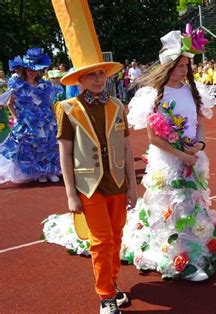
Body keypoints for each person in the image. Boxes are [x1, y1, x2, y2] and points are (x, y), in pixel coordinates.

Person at [45, 1, 137, 312]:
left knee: (116, 237)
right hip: (89, 186)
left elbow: (126, 146)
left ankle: (113, 283)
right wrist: (70, 194)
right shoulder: (68, 109)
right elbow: (65, 152)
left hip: (118, 182)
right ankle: (106, 296)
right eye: (90, 75)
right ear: (79, 80)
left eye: (101, 73)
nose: (98, 79)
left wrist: (133, 187)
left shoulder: (116, 106)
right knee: (100, 242)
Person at [124, 27, 216, 281]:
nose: (185, 70)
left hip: (192, 157)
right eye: (180, 65)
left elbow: (200, 124)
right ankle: (178, 258)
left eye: (186, 65)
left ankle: (194, 248)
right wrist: (181, 155)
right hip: (168, 161)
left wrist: (200, 145)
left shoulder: (191, 91)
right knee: (173, 207)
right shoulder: (154, 96)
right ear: (167, 66)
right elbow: (153, 137)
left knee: (193, 203)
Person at [0, 48, 61, 184]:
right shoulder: (18, 85)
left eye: (35, 70)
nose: (32, 72)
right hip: (28, 122)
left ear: (39, 70)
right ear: (24, 70)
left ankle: (51, 171)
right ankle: (40, 173)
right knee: (33, 146)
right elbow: (10, 104)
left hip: (46, 120)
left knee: (49, 145)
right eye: (29, 69)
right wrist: (17, 117)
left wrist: (55, 117)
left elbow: (50, 102)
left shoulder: (44, 85)